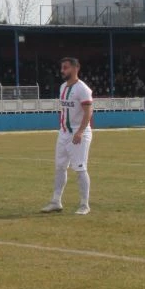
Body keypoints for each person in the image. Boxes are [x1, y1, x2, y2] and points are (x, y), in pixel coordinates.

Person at [41, 57, 94, 215]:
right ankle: (56, 201)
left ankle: (84, 204)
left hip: (79, 133)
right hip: (63, 133)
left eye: (66, 68)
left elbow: (88, 112)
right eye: (62, 67)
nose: (62, 71)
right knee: (59, 167)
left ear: (76, 68)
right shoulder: (63, 87)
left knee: (80, 168)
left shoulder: (83, 89)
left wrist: (80, 132)